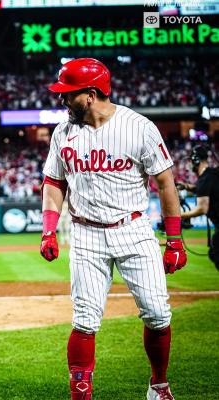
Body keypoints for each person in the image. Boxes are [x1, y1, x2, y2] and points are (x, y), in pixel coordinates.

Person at [40, 58, 187, 400]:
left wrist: (175, 238)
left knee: (158, 313)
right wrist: (49, 229)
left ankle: (159, 385)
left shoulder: (139, 127)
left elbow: (166, 183)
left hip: (134, 230)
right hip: (87, 234)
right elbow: (53, 182)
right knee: (85, 319)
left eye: (68, 94)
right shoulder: (63, 132)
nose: (62, 100)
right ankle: (80, 392)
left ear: (90, 95)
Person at [179, 145, 219, 270]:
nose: (190, 164)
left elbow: (202, 209)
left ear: (196, 160)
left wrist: (179, 215)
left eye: (191, 160)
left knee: (216, 252)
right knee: (214, 251)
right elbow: (206, 188)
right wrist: (187, 186)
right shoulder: (213, 174)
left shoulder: (204, 179)